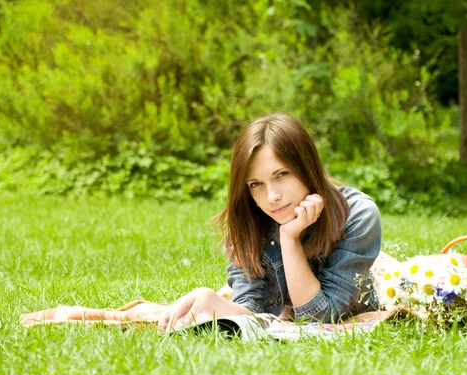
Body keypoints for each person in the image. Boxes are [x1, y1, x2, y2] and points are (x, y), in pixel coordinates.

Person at [158, 113, 381, 331]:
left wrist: (289, 239)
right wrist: (213, 301)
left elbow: (319, 319)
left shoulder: (358, 215)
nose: (272, 196)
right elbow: (253, 312)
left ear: (307, 168)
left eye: (281, 175)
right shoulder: (250, 219)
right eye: (256, 184)